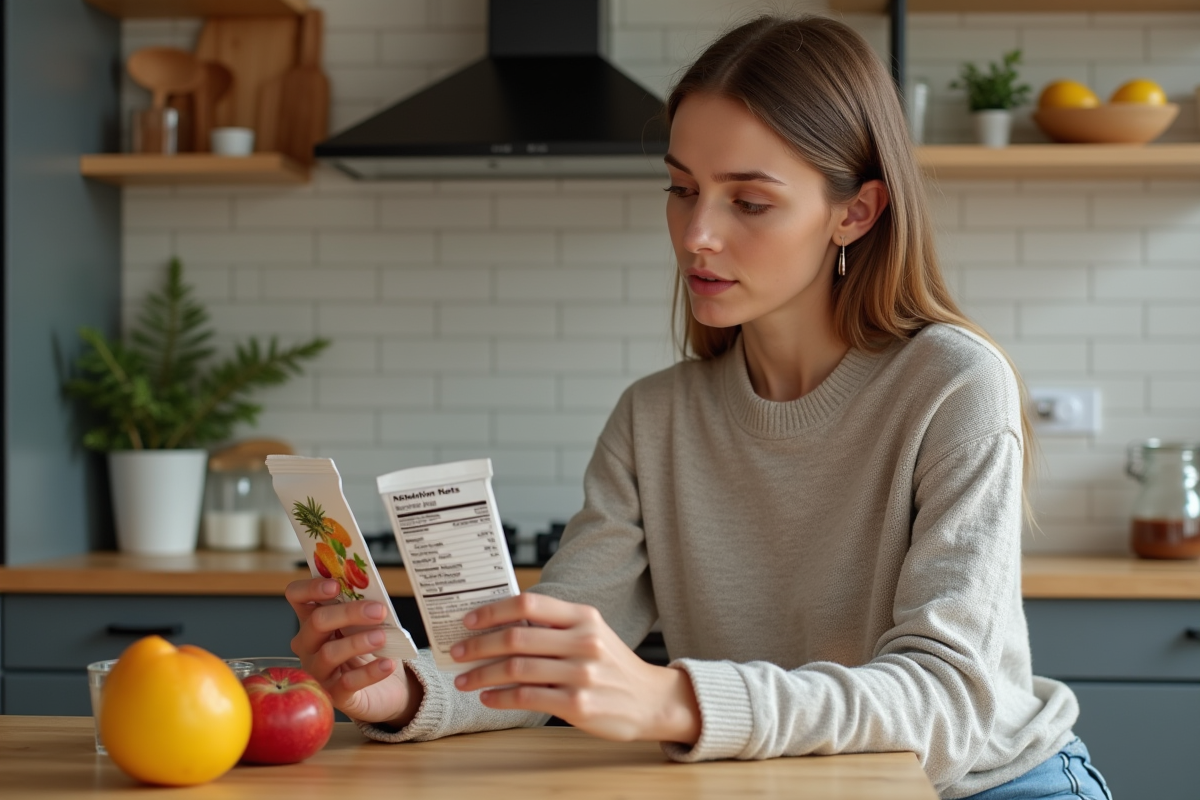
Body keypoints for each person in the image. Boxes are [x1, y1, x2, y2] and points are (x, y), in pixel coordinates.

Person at [285, 15, 1111, 800]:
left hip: (990, 784)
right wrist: (399, 689)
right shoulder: (654, 420)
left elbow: (949, 704)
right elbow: (549, 662)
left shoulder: (953, 385)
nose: (696, 235)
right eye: (683, 189)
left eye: (748, 202)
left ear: (855, 212)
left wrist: (672, 700)